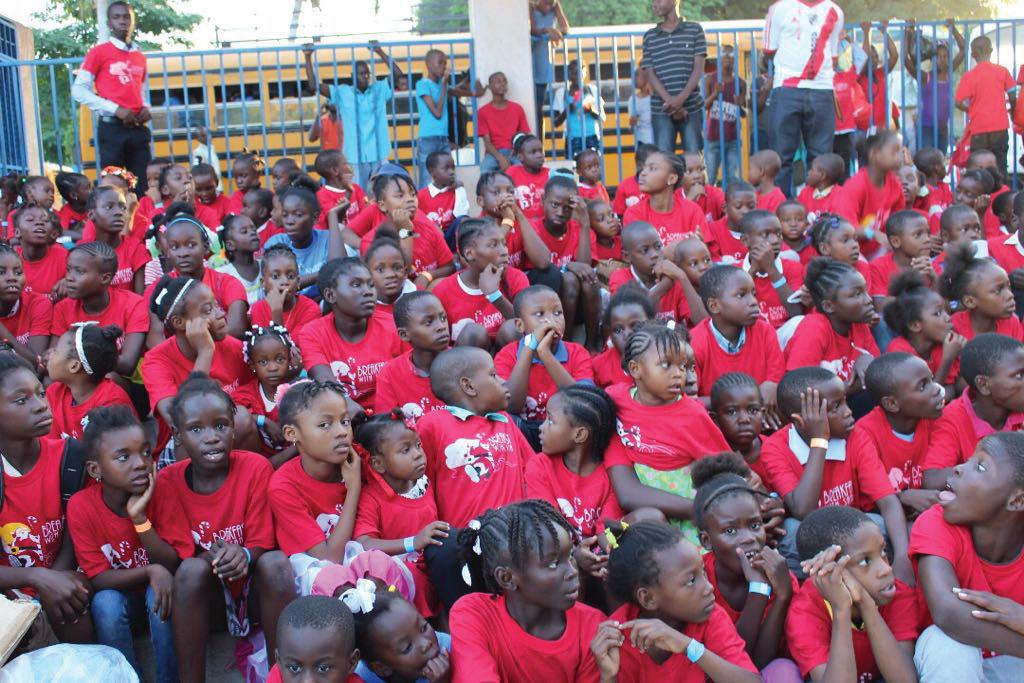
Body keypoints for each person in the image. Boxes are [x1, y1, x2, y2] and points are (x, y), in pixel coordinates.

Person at [67, 406, 188, 683]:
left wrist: (140, 519)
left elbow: (171, 563)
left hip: (161, 598)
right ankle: (125, 677)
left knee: (156, 593)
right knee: (105, 602)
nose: (140, 463)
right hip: (121, 603)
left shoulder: (162, 490)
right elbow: (98, 577)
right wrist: (149, 571)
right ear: (95, 469)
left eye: (145, 452)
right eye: (124, 457)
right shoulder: (81, 506)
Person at [910, 432, 1024, 682]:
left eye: (980, 466)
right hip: (960, 659)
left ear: (1016, 500)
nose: (959, 468)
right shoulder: (935, 522)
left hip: (1015, 662)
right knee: (946, 644)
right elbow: (948, 613)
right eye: (970, 459)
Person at [450, 499, 605, 683]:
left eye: (570, 555)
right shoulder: (474, 615)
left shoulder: (594, 629)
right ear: (507, 578)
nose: (573, 571)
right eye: (553, 563)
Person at [604, 322, 730, 544]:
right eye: (666, 365)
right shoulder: (616, 400)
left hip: (687, 508)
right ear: (635, 369)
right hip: (644, 510)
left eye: (682, 366)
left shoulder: (693, 415)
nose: (678, 374)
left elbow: (724, 467)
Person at [593, 520, 760, 682]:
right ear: (648, 598)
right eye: (691, 581)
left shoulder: (710, 616)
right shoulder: (618, 639)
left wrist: (688, 646)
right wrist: (609, 677)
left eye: (703, 571)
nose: (708, 587)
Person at [0, 353, 93, 643]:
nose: (41, 405)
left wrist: (52, 580)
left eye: (41, 394)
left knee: (69, 595)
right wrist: (37, 577)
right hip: (11, 596)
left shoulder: (71, 457)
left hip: (68, 580)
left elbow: (78, 534)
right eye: (21, 400)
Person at [692, 456, 800, 675]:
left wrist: (782, 596)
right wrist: (758, 591)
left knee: (784, 670)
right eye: (731, 531)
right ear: (706, 540)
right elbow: (737, 666)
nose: (749, 538)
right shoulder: (697, 582)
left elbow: (762, 663)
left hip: (768, 672)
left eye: (755, 525)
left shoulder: (778, 575)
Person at [787, 506, 919, 683]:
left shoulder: (897, 593)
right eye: (865, 561)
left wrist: (866, 605)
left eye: (883, 552)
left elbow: (905, 680)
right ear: (828, 571)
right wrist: (841, 609)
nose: (886, 569)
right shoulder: (804, 612)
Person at [417, 346, 534, 527]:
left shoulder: (504, 420)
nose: (503, 382)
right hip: (465, 536)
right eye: (493, 375)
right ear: (469, 386)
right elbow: (421, 484)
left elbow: (532, 471)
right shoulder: (433, 424)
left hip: (516, 531)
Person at [921, 333, 1024, 490]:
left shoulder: (1018, 404)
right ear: (983, 384)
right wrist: (983, 469)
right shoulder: (953, 418)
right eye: (1019, 375)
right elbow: (933, 480)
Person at [763, 0, 844, 197]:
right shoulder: (779, 9)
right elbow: (769, 50)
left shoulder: (836, 12)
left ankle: (817, 208)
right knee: (781, 158)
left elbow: (833, 56)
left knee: (820, 160)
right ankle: (781, 209)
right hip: (789, 88)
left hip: (819, 89)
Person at [71, 1, 151, 197]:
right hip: (112, 130)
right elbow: (78, 90)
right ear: (109, 23)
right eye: (116, 17)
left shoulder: (139, 56)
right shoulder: (98, 53)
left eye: (126, 17)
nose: (122, 21)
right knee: (114, 186)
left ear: (133, 21)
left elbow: (140, 89)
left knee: (143, 186)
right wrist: (115, 109)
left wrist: (146, 107)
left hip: (137, 129)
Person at [856, 352, 946, 519]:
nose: (937, 389)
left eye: (932, 379)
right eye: (922, 386)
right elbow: (874, 503)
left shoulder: (934, 420)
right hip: (879, 519)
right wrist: (902, 497)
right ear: (891, 403)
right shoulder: (865, 433)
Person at [302, 41, 403, 189]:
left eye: (367, 73)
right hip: (355, 156)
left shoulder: (379, 89)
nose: (366, 76)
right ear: (353, 76)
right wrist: (307, 57)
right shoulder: (342, 92)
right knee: (357, 193)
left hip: (379, 153)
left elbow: (398, 74)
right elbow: (313, 85)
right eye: (361, 73)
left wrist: (379, 51)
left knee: (382, 191)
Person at [690, 265, 784, 403]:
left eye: (754, 294)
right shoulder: (695, 344)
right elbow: (689, 401)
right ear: (714, 306)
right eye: (741, 295)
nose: (753, 302)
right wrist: (739, 402)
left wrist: (772, 385)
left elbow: (775, 382)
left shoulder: (765, 332)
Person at [45, 323, 135, 441]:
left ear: (74, 366)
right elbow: (52, 445)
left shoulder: (111, 403)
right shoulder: (54, 392)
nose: (49, 353)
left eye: (56, 351)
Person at [609, 221, 705, 327]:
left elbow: (703, 323)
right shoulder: (620, 278)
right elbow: (629, 323)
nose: (655, 254)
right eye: (644, 250)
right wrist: (661, 288)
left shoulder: (673, 277)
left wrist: (682, 276)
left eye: (658, 246)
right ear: (626, 256)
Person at [884, 269, 964, 395]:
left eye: (945, 311)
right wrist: (947, 360)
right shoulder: (900, 352)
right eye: (938, 313)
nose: (948, 317)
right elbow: (926, 397)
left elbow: (951, 390)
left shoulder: (943, 346)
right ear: (915, 325)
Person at [642, 0, 707, 154]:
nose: (654, 4)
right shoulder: (650, 36)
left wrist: (679, 100)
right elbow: (650, 73)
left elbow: (698, 70)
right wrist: (672, 103)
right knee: (664, 159)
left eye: (659, 0)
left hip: (691, 107)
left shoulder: (695, 30)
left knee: (694, 157)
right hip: (661, 110)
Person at [349, 585, 451, 682]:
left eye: (424, 628)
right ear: (382, 668)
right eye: (407, 647)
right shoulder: (362, 678)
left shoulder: (449, 647)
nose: (426, 644)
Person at [373, 291, 449, 418]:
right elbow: (385, 424)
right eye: (428, 322)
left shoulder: (464, 363)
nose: (441, 326)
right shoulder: (391, 373)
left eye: (443, 318)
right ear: (404, 334)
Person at [415, 49, 484, 188]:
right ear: (429, 65)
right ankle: (424, 202)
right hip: (428, 139)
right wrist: (444, 85)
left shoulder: (443, 86)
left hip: (443, 138)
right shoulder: (422, 84)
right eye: (440, 63)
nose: (444, 67)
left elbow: (464, 92)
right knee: (427, 178)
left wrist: (476, 90)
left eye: (445, 63)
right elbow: (437, 113)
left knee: (448, 175)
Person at [955, 35, 1016, 177]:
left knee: (979, 169)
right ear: (991, 50)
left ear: (972, 54)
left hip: (978, 129)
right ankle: (1000, 190)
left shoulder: (969, 76)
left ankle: (982, 190)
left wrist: (971, 109)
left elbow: (957, 103)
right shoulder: (1002, 71)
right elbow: (1013, 96)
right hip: (999, 127)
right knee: (1000, 166)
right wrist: (1012, 112)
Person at [266, 596, 359, 682]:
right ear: (279, 662)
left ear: (351, 663)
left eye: (323, 668)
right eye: (294, 668)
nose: (307, 681)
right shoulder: (277, 677)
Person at [905, 19, 965, 153]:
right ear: (932, 59)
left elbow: (963, 49)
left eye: (945, 56)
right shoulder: (925, 77)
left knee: (939, 161)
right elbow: (905, 60)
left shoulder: (949, 73)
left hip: (943, 129)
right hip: (926, 129)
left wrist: (953, 28)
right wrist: (908, 31)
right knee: (926, 161)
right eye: (937, 56)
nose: (941, 60)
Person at [704, 45, 746, 186]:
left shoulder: (741, 83)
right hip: (713, 137)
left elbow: (743, 113)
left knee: (732, 178)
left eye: (731, 54)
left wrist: (740, 104)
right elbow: (703, 105)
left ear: (735, 58)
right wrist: (715, 94)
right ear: (719, 58)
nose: (727, 56)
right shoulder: (709, 79)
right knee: (710, 177)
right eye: (724, 53)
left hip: (733, 138)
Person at [530, 0, 571, 134]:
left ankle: (539, 142)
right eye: (545, 3)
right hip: (531, 62)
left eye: (551, 3)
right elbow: (532, 29)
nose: (548, 6)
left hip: (544, 64)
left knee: (539, 108)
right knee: (533, 108)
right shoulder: (530, 6)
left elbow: (565, 28)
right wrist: (548, 30)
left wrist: (557, 33)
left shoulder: (555, 6)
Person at [552, 59, 606, 161]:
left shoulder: (592, 90)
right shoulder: (561, 93)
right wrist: (566, 111)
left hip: (592, 137)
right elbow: (555, 123)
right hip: (572, 139)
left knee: (593, 167)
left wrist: (591, 110)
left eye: (579, 70)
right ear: (567, 74)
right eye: (572, 71)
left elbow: (602, 118)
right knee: (574, 168)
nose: (576, 74)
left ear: (585, 72)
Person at [478, 71, 531, 173]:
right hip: (493, 153)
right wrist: (501, 158)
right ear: (490, 87)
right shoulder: (482, 112)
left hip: (515, 152)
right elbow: (487, 143)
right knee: (485, 169)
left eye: (504, 81)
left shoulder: (517, 108)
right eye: (498, 81)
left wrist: (514, 152)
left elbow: (524, 136)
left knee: (523, 170)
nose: (502, 84)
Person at [628, 63, 655, 147]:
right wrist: (632, 124)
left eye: (637, 75)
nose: (634, 78)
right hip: (641, 143)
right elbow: (631, 130)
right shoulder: (633, 100)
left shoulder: (656, 98)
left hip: (657, 141)